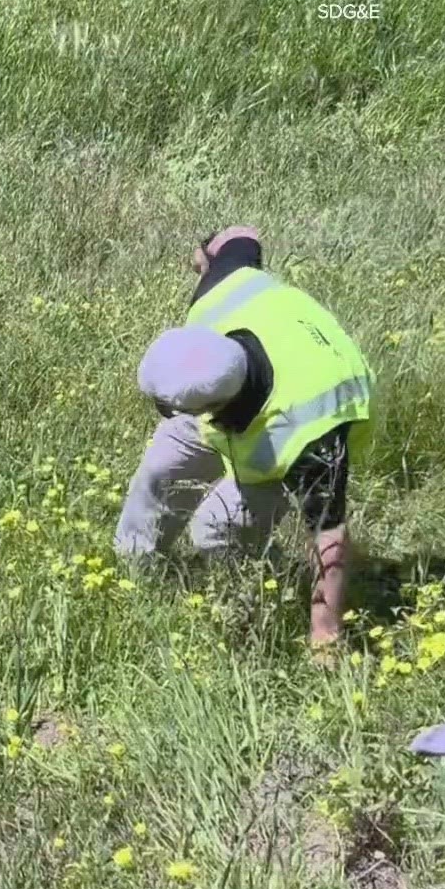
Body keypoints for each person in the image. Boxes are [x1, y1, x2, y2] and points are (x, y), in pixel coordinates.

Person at [114, 225, 374, 662]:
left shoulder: (312, 433)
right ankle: (135, 576)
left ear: (211, 405)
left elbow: (329, 530)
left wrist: (325, 636)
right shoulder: (219, 297)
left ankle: (270, 583)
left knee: (216, 530)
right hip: (237, 389)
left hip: (290, 430)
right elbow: (239, 235)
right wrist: (200, 256)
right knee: (159, 472)